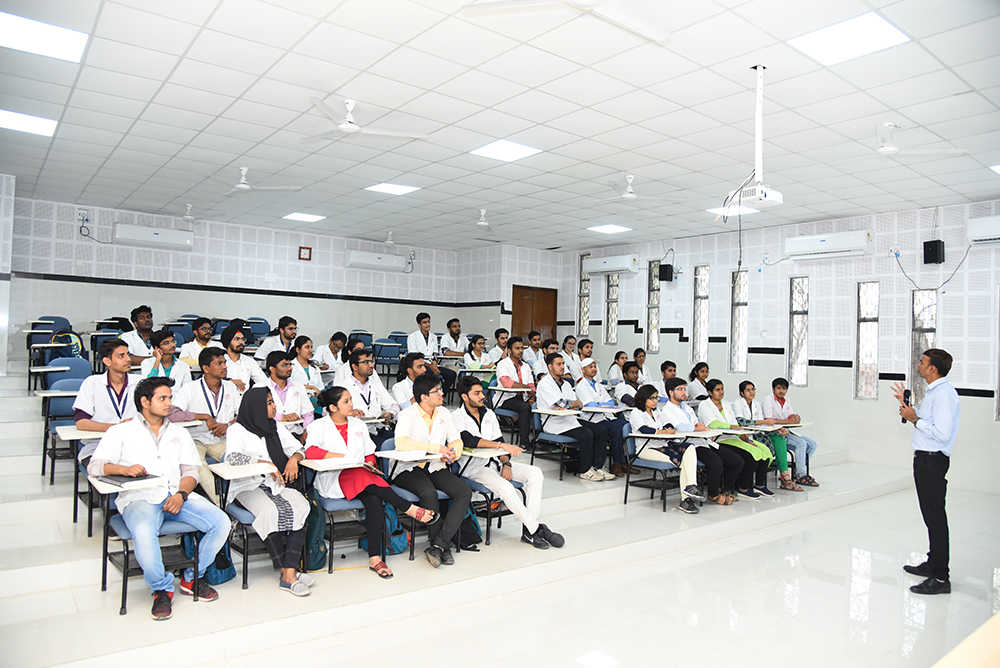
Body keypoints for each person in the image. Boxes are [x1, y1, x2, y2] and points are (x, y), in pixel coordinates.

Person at [87, 377, 231, 620]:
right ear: (145, 402)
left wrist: (181, 495)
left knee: (222, 522)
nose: (169, 404)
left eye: (170, 398)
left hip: (176, 493)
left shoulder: (179, 433)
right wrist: (123, 469)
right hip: (139, 497)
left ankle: (192, 577)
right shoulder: (121, 431)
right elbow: (95, 466)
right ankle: (161, 588)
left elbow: (191, 472)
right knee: (143, 533)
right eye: (162, 398)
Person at [307, 386, 436, 579]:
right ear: (333, 407)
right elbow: (311, 451)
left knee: (374, 501)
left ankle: (375, 558)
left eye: (351, 400)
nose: (352, 404)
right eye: (346, 401)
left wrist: (369, 464)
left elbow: (369, 452)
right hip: (334, 477)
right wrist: (342, 457)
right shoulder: (318, 426)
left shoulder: (358, 425)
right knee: (362, 477)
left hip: (362, 478)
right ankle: (407, 507)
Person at [452, 376, 564, 549]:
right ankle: (536, 529)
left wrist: (506, 464)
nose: (482, 396)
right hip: (474, 468)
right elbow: (468, 440)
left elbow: (499, 441)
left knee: (535, 473)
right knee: (506, 488)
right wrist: (501, 446)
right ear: (465, 397)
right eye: (477, 393)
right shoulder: (457, 416)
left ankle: (529, 531)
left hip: (495, 463)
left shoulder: (488, 413)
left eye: (481, 392)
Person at [225, 387, 312, 595]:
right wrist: (264, 463)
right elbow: (233, 458)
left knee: (301, 505)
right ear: (255, 407)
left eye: (273, 402)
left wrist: (294, 459)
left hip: (275, 483)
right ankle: (289, 574)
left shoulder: (276, 427)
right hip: (247, 485)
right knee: (268, 511)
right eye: (270, 403)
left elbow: (300, 449)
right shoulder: (237, 430)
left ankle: (287, 570)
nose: (275, 407)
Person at [893, 349, 961, 596]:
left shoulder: (943, 394)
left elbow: (941, 433)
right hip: (926, 458)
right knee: (931, 515)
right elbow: (929, 422)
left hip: (932, 461)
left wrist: (914, 420)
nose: (918, 365)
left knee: (935, 518)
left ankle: (941, 577)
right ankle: (933, 563)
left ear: (933, 368)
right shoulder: (936, 392)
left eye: (922, 362)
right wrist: (910, 409)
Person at [393, 375, 473, 568]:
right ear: (424, 397)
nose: (441, 393)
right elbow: (401, 443)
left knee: (464, 491)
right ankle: (438, 545)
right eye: (436, 391)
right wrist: (438, 449)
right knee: (428, 492)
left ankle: (439, 544)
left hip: (436, 465)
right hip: (409, 468)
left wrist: (453, 453)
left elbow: (456, 440)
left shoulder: (444, 413)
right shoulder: (407, 415)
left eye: (440, 390)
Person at [170, 347, 241, 505]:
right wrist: (204, 417)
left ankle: (240, 499)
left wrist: (228, 425)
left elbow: (242, 414)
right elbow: (172, 414)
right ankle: (222, 505)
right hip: (196, 439)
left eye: (224, 362)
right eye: (219, 363)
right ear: (206, 368)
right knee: (198, 463)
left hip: (222, 438)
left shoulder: (230, 387)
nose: (224, 366)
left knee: (238, 456)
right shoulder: (190, 388)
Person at [659, 378, 743, 506]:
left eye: (684, 389)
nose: (684, 392)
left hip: (703, 440)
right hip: (688, 444)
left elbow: (698, 423)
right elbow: (678, 427)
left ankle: (722, 489)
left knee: (737, 461)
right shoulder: (667, 410)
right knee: (716, 462)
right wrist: (696, 428)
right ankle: (713, 494)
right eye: (680, 389)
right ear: (671, 392)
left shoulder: (687, 408)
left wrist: (701, 427)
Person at [627, 384, 704, 514]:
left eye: (656, 398)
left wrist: (663, 430)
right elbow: (645, 430)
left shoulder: (657, 411)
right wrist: (663, 431)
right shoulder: (636, 412)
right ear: (643, 398)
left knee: (689, 448)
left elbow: (669, 425)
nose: (655, 401)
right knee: (682, 461)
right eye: (651, 398)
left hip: (662, 445)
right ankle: (685, 501)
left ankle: (691, 486)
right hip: (646, 449)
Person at [536, 353, 613, 482]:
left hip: (569, 419)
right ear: (550, 367)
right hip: (554, 423)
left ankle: (598, 467)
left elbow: (578, 404)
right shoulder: (544, 383)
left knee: (601, 430)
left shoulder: (565, 384)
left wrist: (570, 405)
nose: (562, 367)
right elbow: (559, 403)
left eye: (563, 364)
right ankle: (585, 470)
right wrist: (569, 404)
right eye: (558, 364)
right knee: (586, 434)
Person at [698, 379, 773, 500]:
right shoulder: (704, 405)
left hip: (733, 437)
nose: (721, 392)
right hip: (719, 440)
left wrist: (743, 436)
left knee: (763, 450)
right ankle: (742, 488)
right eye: (717, 390)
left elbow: (733, 422)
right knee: (751, 456)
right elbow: (713, 424)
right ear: (710, 392)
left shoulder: (726, 404)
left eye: (722, 389)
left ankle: (760, 484)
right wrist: (733, 427)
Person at [73, 338, 141, 464]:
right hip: (98, 445)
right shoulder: (92, 383)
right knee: (109, 469)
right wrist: (116, 428)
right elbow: (81, 423)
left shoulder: (140, 382)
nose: (128, 359)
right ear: (107, 361)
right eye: (121, 356)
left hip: (134, 444)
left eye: (128, 354)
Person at [732, 380, 800, 492]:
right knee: (760, 450)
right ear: (742, 393)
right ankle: (753, 482)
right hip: (743, 435)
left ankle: (760, 482)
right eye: (748, 390)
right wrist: (762, 422)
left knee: (769, 450)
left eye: (753, 389)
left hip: (757, 433)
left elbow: (764, 423)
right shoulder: (737, 403)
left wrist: (777, 429)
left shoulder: (756, 404)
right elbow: (741, 421)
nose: (751, 392)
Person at [575, 357, 632, 477]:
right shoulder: (582, 386)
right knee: (616, 430)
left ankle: (623, 460)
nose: (594, 369)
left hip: (604, 416)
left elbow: (611, 402)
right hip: (591, 419)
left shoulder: (598, 385)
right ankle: (616, 463)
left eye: (594, 366)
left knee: (626, 426)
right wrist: (603, 405)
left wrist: (601, 405)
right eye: (590, 367)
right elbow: (590, 405)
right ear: (583, 370)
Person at [761, 377, 819, 487]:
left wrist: (795, 418)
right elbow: (769, 420)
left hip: (786, 431)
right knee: (801, 444)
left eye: (784, 389)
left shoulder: (786, 400)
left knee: (812, 444)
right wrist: (789, 421)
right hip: (773, 433)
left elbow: (790, 414)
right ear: (773, 389)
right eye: (778, 388)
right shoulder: (768, 400)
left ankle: (798, 471)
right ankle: (801, 475)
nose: (781, 391)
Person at [344, 348, 397, 447]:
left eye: (371, 361)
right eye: (366, 362)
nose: (371, 365)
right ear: (354, 366)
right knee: (383, 446)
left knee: (399, 443)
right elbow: (330, 412)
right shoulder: (343, 387)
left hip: (378, 429)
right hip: (356, 432)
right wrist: (350, 413)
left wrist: (390, 414)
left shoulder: (376, 384)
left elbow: (393, 405)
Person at [494, 336, 536, 448]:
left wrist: (532, 397)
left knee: (536, 405)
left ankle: (541, 442)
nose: (521, 351)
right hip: (506, 399)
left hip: (523, 398)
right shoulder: (503, 364)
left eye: (522, 348)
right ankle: (524, 442)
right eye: (517, 348)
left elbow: (532, 385)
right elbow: (506, 382)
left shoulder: (526, 366)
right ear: (509, 350)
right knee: (525, 407)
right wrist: (526, 388)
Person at [264, 351, 313, 442]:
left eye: (290, 364)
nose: (290, 368)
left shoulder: (298, 386)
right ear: (272, 369)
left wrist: (307, 430)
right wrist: (282, 417)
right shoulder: (260, 387)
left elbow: (308, 413)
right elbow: (258, 415)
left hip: (296, 434)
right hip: (270, 435)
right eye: (285, 365)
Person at [407, 312, 456, 394]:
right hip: (420, 365)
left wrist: (435, 367)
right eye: (424, 322)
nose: (427, 324)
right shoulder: (412, 337)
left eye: (428, 321)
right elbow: (414, 356)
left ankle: (442, 395)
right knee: (429, 372)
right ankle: (428, 395)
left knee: (452, 374)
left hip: (432, 364)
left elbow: (435, 355)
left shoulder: (434, 336)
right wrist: (431, 367)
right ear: (419, 324)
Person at [219, 325, 268, 395]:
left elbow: (264, 382)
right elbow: (210, 380)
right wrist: (229, 381)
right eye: (237, 339)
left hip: (244, 400)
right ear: (228, 341)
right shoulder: (219, 360)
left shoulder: (249, 361)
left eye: (243, 339)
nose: (241, 342)